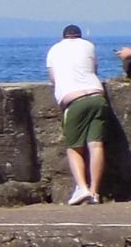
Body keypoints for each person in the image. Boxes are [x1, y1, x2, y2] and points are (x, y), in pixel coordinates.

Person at [45, 24, 111, 205]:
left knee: (74, 147)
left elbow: (53, 79)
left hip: (75, 101)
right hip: (98, 97)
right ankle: (95, 192)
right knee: (96, 146)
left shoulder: (54, 50)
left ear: (64, 36)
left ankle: (82, 188)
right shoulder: (89, 46)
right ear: (79, 36)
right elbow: (94, 69)